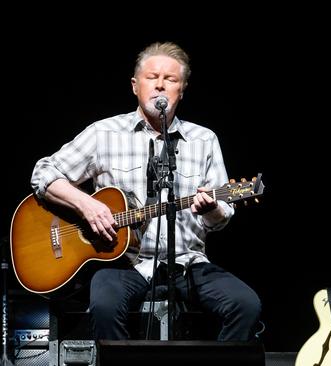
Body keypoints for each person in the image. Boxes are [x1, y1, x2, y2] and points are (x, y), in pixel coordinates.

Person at [30, 41, 262, 341]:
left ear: (183, 89)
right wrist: (86, 204)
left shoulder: (204, 139)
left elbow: (222, 218)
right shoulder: (104, 133)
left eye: (171, 80)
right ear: (135, 85)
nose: (160, 86)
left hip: (188, 263)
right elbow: (43, 172)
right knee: (104, 304)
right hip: (126, 266)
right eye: (152, 77)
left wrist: (212, 208)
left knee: (245, 305)